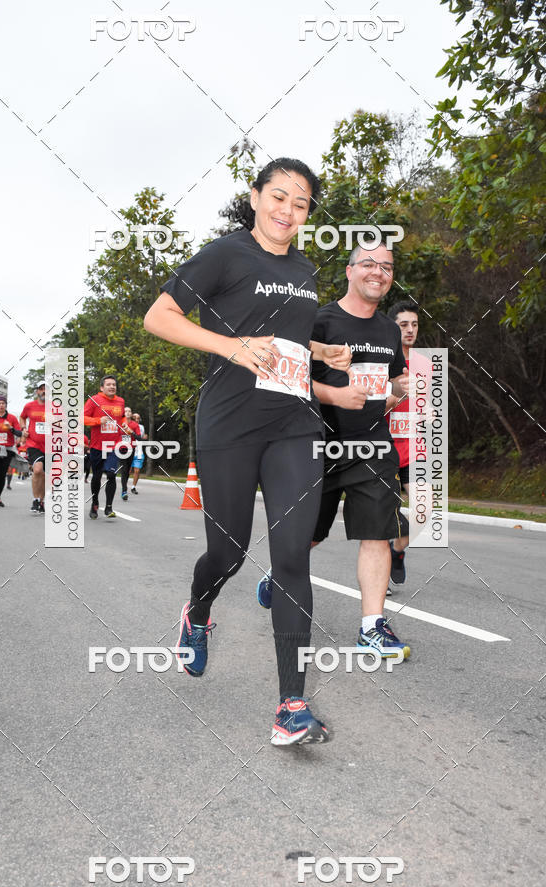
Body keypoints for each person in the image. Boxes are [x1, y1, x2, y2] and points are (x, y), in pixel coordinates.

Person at [144, 157, 352, 746]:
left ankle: (291, 704)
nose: (289, 210)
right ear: (256, 196)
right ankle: (198, 610)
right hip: (229, 424)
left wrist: (320, 352)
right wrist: (231, 348)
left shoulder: (308, 270)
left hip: (294, 423)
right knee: (229, 551)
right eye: (279, 197)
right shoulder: (226, 253)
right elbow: (159, 317)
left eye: (302, 203)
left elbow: (279, 334)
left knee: (291, 556)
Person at [258, 243, 411, 659]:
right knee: (310, 534)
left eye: (386, 266)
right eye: (368, 264)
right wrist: (334, 395)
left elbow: (391, 381)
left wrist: (400, 387)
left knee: (379, 534)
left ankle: (371, 627)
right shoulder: (318, 321)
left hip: (373, 446)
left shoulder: (388, 330)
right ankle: (278, 572)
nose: (377, 272)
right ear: (349, 271)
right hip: (317, 444)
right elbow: (283, 375)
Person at [385, 300, 419, 584]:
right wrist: (394, 396)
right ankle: (381, 563)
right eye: (403, 325)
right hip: (384, 452)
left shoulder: (425, 365)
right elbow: (371, 409)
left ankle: (396, 553)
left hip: (414, 453)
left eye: (415, 324)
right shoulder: (383, 364)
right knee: (392, 521)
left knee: (428, 513)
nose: (410, 330)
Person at [84, 376, 132, 519]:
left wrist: (124, 423)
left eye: (114, 384)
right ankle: (94, 503)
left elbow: (122, 417)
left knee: (111, 474)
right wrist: (98, 420)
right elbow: (83, 418)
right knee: (97, 477)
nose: (112, 387)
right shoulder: (94, 400)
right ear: (101, 387)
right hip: (97, 446)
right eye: (108, 384)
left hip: (114, 445)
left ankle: (109, 506)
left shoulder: (120, 401)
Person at [20, 382, 46, 513]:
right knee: (37, 470)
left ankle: (42, 501)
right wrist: (24, 429)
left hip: (50, 445)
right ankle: (36, 500)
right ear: (37, 391)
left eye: (46, 389)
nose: (44, 391)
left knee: (45, 475)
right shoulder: (29, 406)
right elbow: (22, 417)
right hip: (34, 444)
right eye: (41, 389)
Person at [119, 406, 141, 500]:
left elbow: (139, 438)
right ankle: (124, 490)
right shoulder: (119, 423)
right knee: (124, 469)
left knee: (127, 470)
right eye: (126, 411)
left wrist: (131, 431)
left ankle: (124, 488)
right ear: (123, 413)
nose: (128, 412)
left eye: (129, 411)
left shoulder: (135, 425)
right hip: (120, 449)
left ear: (131, 414)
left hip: (131, 449)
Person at [130, 413, 146, 494]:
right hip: (129, 451)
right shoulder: (127, 426)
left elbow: (141, 437)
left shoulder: (142, 427)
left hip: (139, 451)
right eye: (135, 418)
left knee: (137, 470)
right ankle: (124, 487)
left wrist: (144, 437)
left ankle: (133, 487)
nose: (137, 420)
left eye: (138, 418)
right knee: (128, 471)